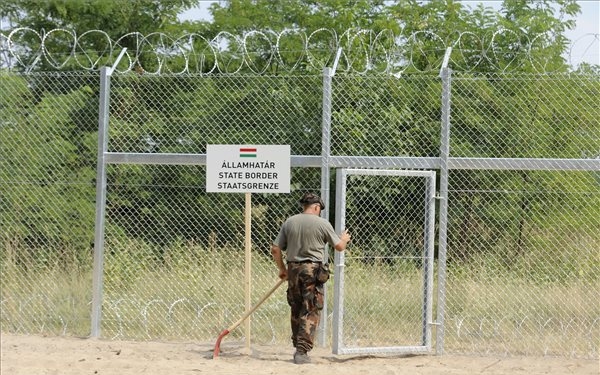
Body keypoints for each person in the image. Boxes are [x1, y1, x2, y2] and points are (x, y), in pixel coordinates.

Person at [271, 193, 351, 364]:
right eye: (319, 209)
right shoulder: (322, 224)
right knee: (311, 308)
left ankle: (298, 346)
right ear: (316, 207)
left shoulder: (290, 222)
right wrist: (344, 239)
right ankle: (301, 351)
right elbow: (339, 247)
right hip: (312, 271)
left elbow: (276, 249)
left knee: (296, 306)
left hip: (293, 269)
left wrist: (282, 269)